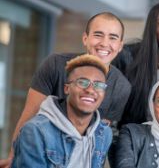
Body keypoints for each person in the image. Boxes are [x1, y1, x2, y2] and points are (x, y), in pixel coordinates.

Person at [0, 12, 131, 167]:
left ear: (120, 45)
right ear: (85, 38)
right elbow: (29, 115)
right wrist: (14, 157)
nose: (104, 43)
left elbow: (99, 137)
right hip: (46, 154)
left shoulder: (122, 86)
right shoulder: (54, 65)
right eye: (98, 35)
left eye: (113, 38)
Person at [11, 54, 113, 168]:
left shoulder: (104, 133)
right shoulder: (36, 131)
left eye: (98, 85)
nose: (90, 90)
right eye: (82, 82)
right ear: (67, 88)